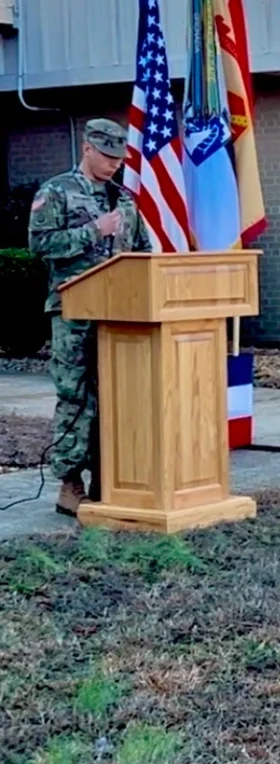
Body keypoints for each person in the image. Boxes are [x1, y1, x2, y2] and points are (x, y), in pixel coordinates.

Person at [28, 118, 154, 517]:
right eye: (107, 155)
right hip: (74, 311)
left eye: (119, 157)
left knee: (118, 397)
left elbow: (143, 250)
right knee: (76, 397)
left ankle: (111, 478)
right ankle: (69, 483)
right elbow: (40, 244)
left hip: (120, 314)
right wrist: (93, 232)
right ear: (87, 148)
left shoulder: (125, 198)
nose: (115, 163)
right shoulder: (57, 191)